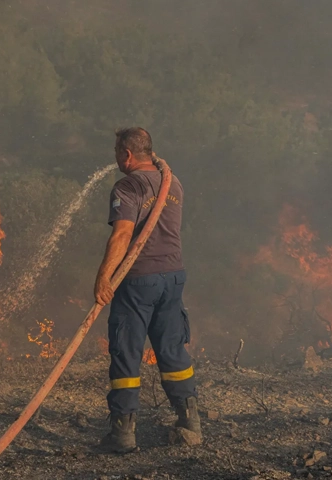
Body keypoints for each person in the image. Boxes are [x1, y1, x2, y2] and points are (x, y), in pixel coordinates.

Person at [94, 127, 200, 453]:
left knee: (126, 352)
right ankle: (190, 422)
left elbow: (122, 235)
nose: (114, 159)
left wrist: (103, 277)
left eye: (117, 153)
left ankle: (123, 434)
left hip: (139, 280)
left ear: (127, 154)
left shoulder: (128, 186)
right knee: (172, 350)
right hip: (173, 277)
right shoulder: (173, 183)